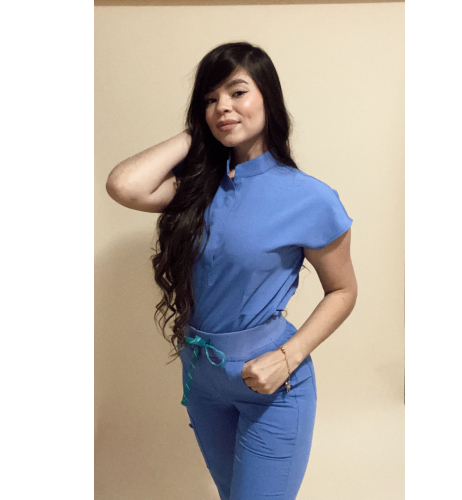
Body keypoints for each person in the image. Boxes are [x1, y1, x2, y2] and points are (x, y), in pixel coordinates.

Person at [106, 41, 357, 500]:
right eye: (210, 99)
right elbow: (124, 185)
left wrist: (288, 357)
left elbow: (343, 291)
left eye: (237, 92)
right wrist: (197, 134)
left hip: (273, 384)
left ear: (268, 99)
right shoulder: (197, 190)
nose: (222, 106)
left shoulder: (310, 198)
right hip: (202, 381)